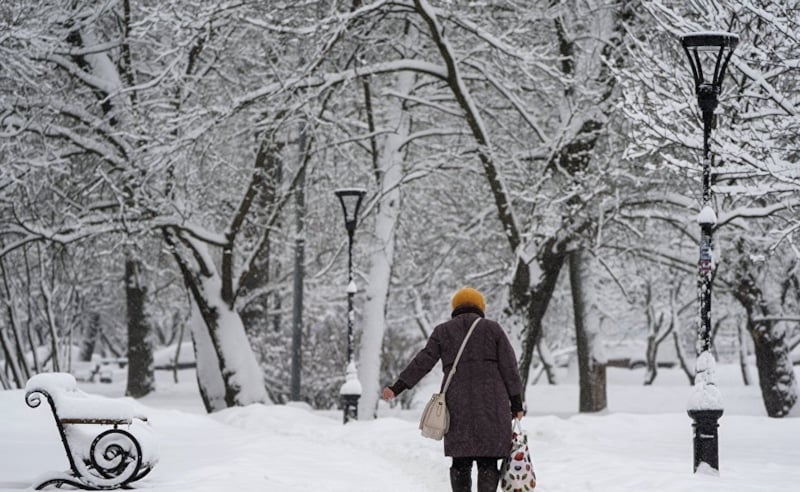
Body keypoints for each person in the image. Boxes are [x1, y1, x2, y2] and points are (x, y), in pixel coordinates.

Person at [382, 287, 524, 492]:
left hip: (458, 405)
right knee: (488, 462)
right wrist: (516, 403)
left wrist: (398, 387)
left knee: (461, 461)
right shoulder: (493, 329)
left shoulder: (443, 331)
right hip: (492, 406)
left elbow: (423, 361)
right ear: (480, 307)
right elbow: (510, 367)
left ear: (455, 307)